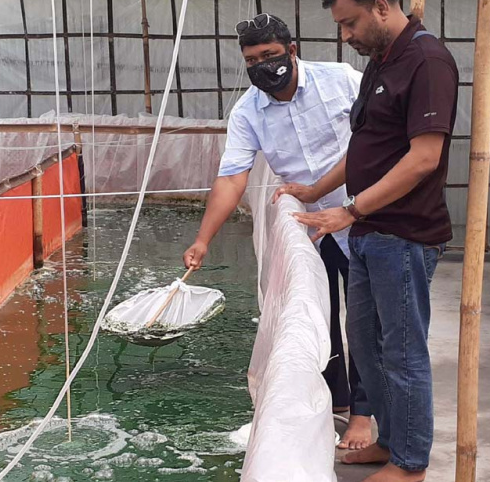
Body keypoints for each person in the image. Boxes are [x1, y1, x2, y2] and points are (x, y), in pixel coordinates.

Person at [280, 0, 459, 480]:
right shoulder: (381, 62)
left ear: (382, 6)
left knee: (402, 352)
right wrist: (315, 192)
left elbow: (423, 158)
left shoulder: (427, 61)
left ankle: (411, 463)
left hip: (404, 234)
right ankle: (389, 441)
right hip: (368, 232)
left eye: (349, 23)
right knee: (365, 344)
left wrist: (351, 209)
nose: (345, 36)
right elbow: (364, 145)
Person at [182, 13, 373, 450]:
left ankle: (363, 414)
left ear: (292, 50)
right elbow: (233, 177)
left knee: (364, 318)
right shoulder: (249, 111)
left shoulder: (341, 80)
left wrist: (357, 205)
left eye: (270, 55)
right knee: (315, 315)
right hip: (310, 226)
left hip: (361, 213)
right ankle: (335, 398)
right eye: (252, 60)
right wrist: (203, 238)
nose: (263, 66)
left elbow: (379, 133)